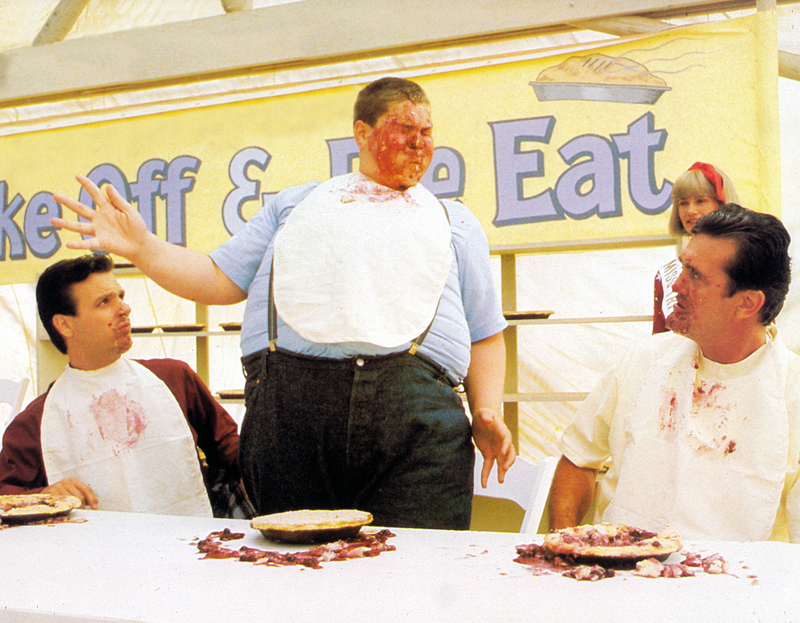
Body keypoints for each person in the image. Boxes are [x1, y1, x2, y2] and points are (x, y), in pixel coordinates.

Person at [50, 77, 515, 530]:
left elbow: (485, 335)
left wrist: (487, 410)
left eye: (427, 133)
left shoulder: (456, 220)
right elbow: (216, 279)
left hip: (417, 425)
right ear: (362, 133)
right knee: (294, 578)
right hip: (290, 417)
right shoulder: (296, 205)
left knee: (416, 579)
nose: (419, 144)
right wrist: (142, 247)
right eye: (406, 130)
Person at [550, 204, 800, 542]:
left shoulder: (793, 392)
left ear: (747, 303)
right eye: (682, 268)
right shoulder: (644, 359)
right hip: (624, 578)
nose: (677, 286)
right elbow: (578, 459)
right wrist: (569, 546)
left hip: (737, 587)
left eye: (696, 275)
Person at [0, 254, 250, 518]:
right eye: (104, 302)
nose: (124, 308)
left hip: (191, 547)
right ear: (64, 324)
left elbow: (232, 452)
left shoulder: (174, 377)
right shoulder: (34, 423)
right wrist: (43, 496)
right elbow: (6, 496)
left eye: (120, 296)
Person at [653, 162, 739, 333]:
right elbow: (659, 340)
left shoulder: (744, 261)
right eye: (683, 203)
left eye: (700, 201)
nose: (690, 210)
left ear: (722, 205)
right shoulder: (665, 274)